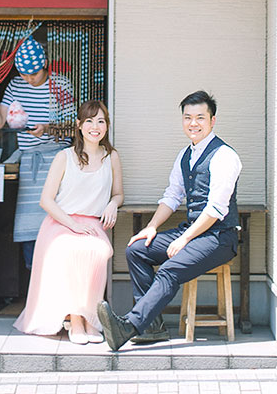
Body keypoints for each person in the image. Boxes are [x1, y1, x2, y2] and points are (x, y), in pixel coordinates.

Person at [97, 89, 241, 350]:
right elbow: (172, 196)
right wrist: (151, 227)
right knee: (137, 250)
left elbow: (216, 209)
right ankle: (152, 327)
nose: (193, 123)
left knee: (169, 269)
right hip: (194, 233)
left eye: (200, 117)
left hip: (219, 237)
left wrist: (184, 239)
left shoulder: (225, 156)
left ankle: (129, 327)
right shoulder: (185, 155)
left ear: (213, 120)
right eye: (187, 118)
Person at [14, 100, 123, 344]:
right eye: (89, 121)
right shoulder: (64, 157)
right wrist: (72, 225)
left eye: (101, 121)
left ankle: (91, 318)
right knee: (70, 250)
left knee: (99, 250)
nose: (95, 126)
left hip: (92, 223)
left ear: (107, 126)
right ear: (79, 125)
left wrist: (113, 204)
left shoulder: (111, 157)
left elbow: (118, 193)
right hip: (61, 223)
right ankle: (75, 320)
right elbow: (46, 200)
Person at [0, 37, 74, 268]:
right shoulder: (16, 86)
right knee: (29, 224)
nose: (29, 79)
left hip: (58, 160)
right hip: (30, 162)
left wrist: (47, 129)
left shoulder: (61, 85)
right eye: (24, 74)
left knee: (58, 220)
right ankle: (34, 280)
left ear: (45, 64)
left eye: (34, 74)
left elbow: (73, 125)